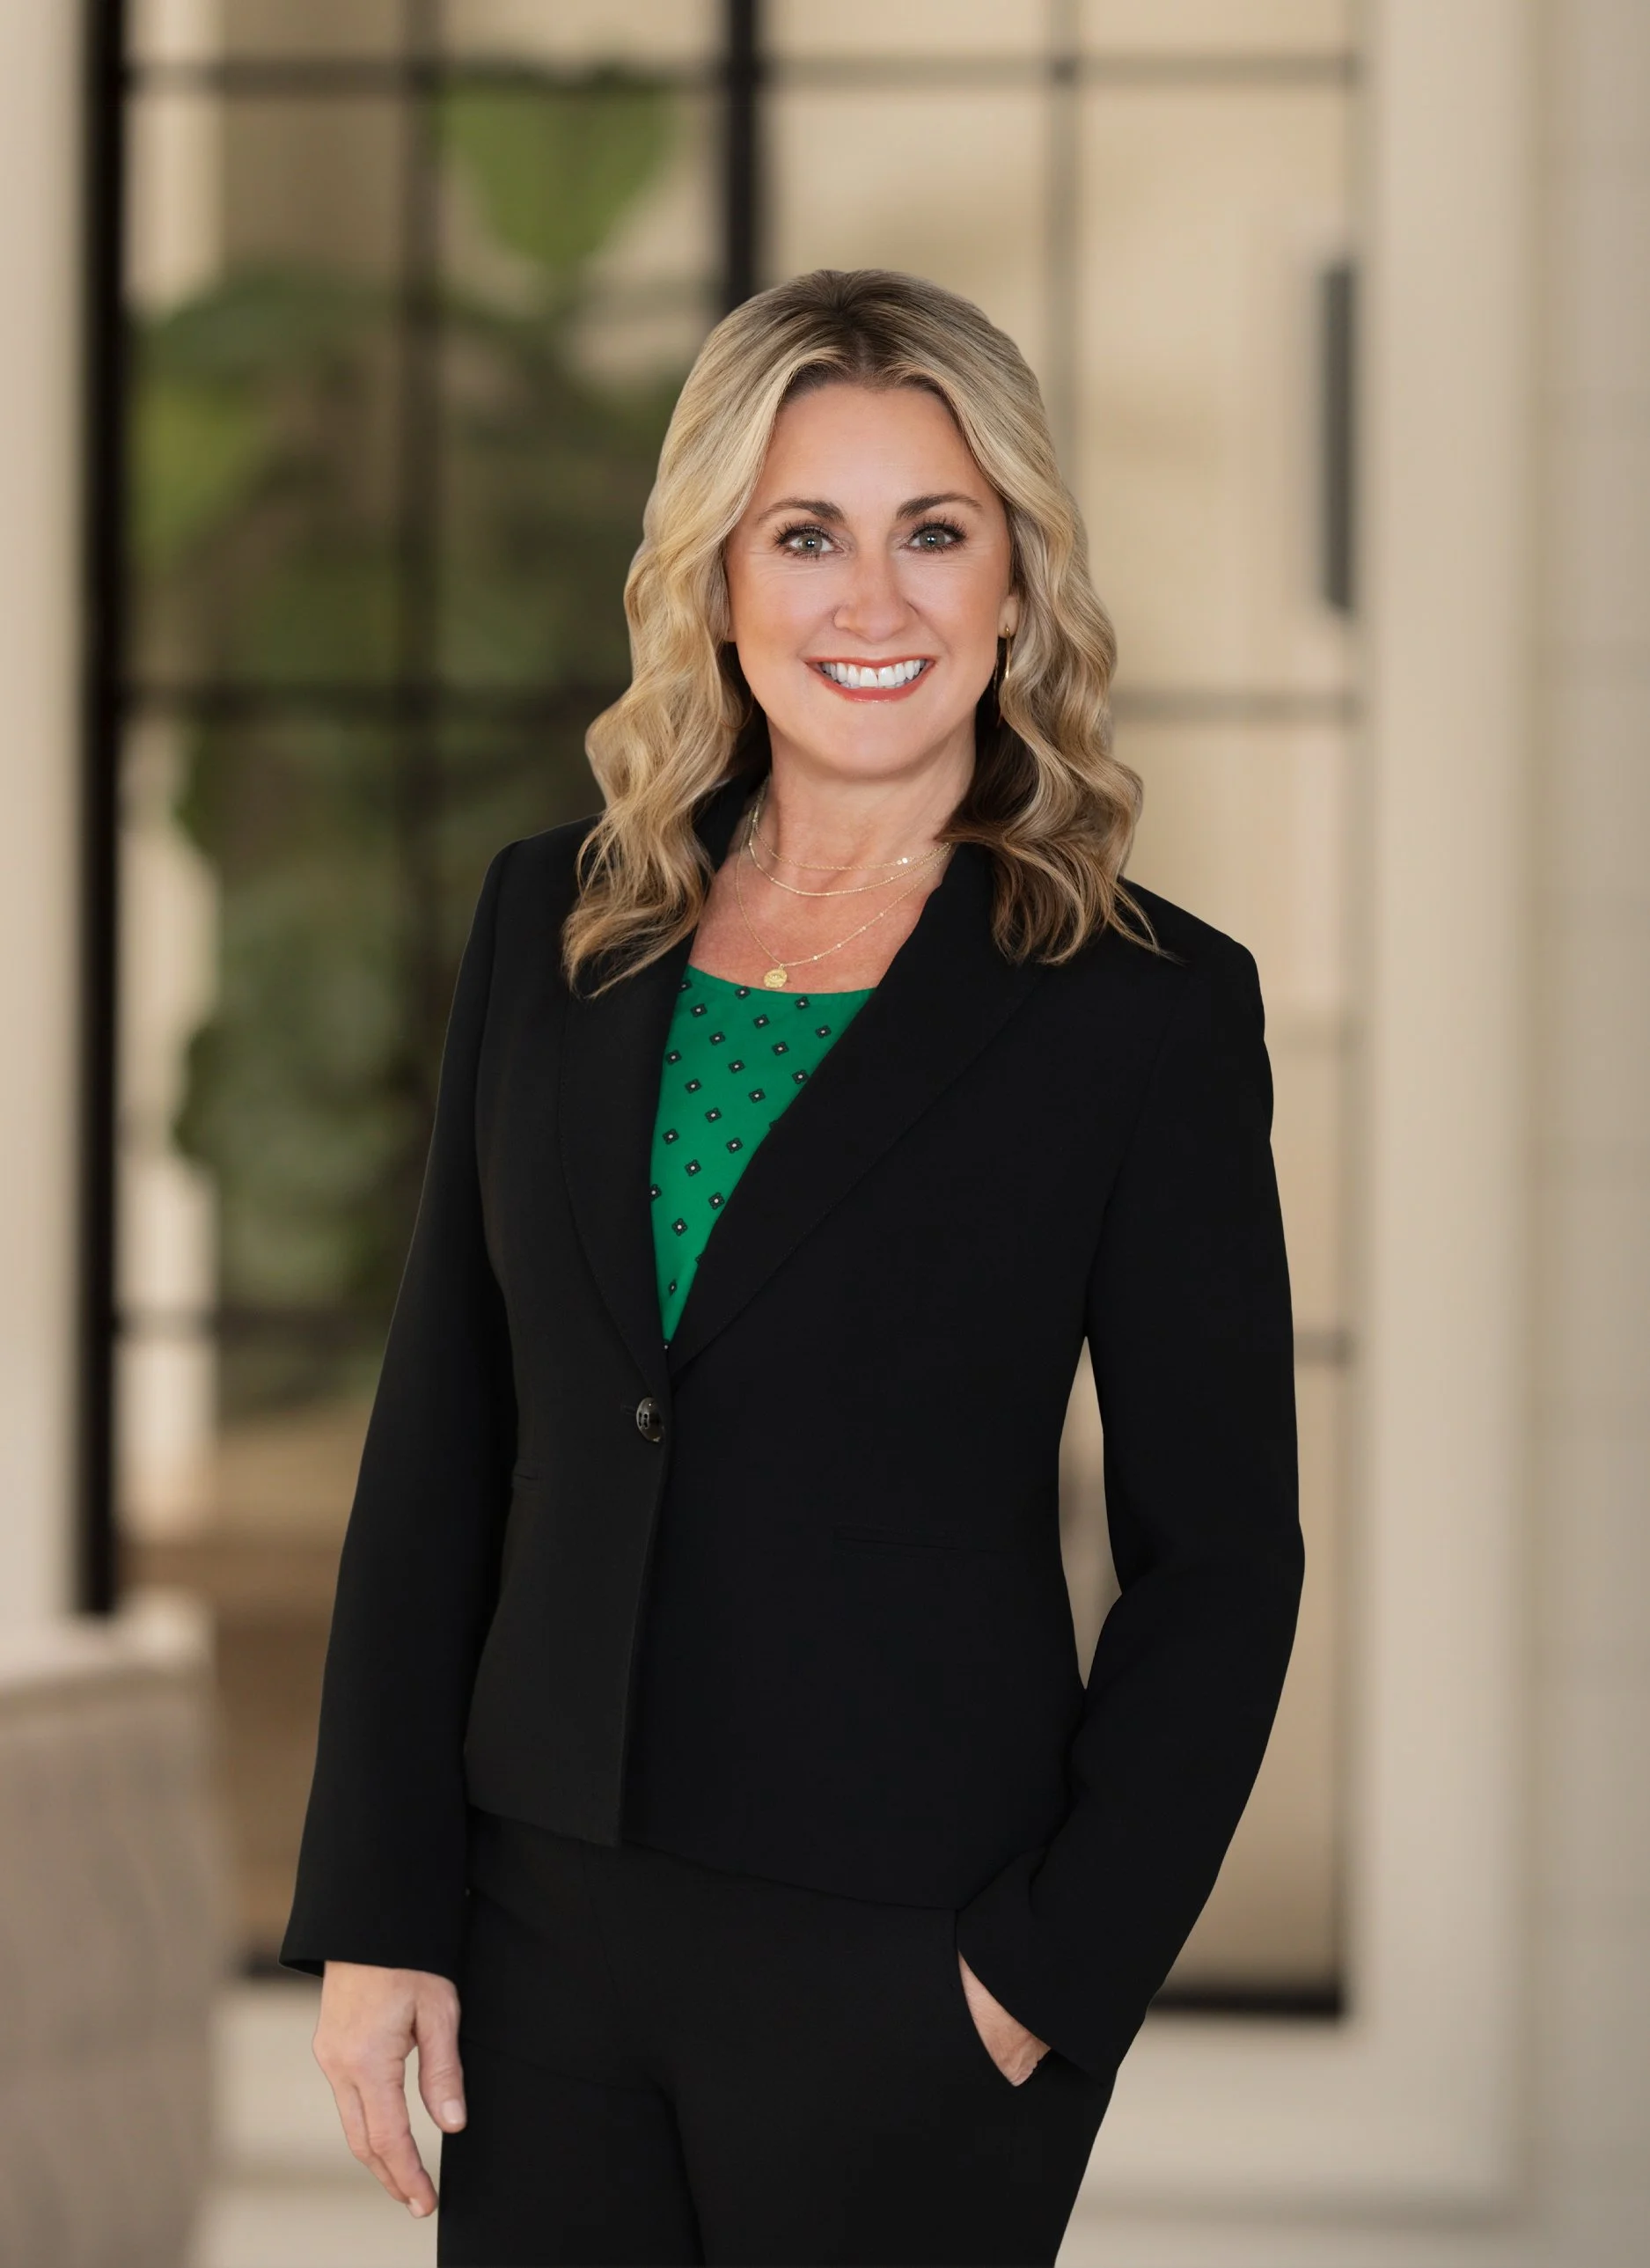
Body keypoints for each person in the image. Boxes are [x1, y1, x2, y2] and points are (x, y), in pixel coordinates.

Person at [281, 267, 1302, 2268]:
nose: (873, 601)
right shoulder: (552, 929)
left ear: (1016, 581)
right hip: (538, 1938)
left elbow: (1221, 1559)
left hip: (908, 1959)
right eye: (805, 535)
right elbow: (442, 1440)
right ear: (715, 578)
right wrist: (382, 1905)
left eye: (936, 532)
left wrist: (1041, 1974)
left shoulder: (1141, 1011)